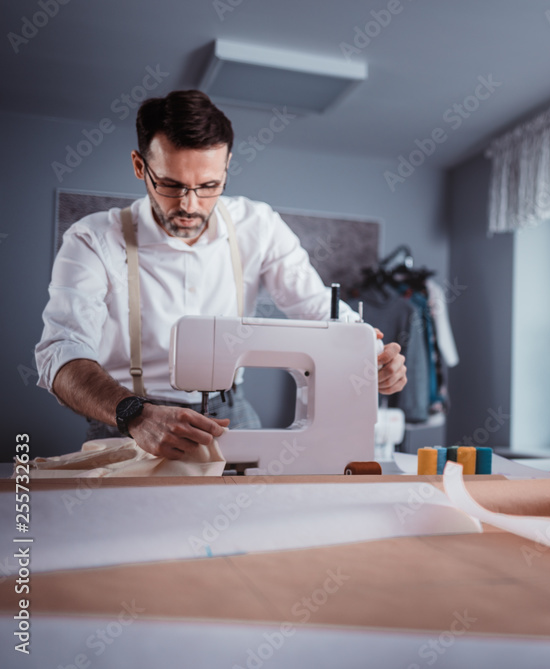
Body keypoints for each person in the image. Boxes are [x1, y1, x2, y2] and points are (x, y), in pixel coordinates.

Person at [35, 90, 407, 460]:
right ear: (139, 166)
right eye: (171, 184)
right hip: (131, 415)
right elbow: (62, 351)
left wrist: (370, 355)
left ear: (227, 167)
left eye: (209, 186)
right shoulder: (93, 239)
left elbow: (314, 306)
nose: (190, 205)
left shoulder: (257, 225)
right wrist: (135, 414)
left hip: (231, 411)